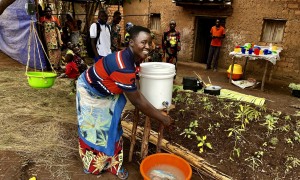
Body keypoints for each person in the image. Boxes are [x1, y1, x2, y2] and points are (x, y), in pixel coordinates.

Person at [76, 25, 173, 179]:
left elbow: (135, 83)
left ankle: (113, 165)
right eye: (143, 42)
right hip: (90, 93)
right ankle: (93, 165)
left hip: (107, 91)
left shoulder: (133, 58)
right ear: (131, 43)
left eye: (149, 42)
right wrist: (162, 118)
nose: (147, 46)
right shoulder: (123, 66)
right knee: (94, 130)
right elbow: (137, 101)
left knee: (112, 127)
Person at [39, 6, 62, 70]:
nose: (48, 13)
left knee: (56, 52)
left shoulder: (55, 19)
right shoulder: (42, 19)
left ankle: (56, 66)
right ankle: (50, 66)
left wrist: (59, 38)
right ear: (45, 12)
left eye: (49, 11)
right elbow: (40, 29)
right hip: (46, 40)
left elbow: (59, 28)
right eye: (47, 11)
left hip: (55, 39)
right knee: (49, 52)